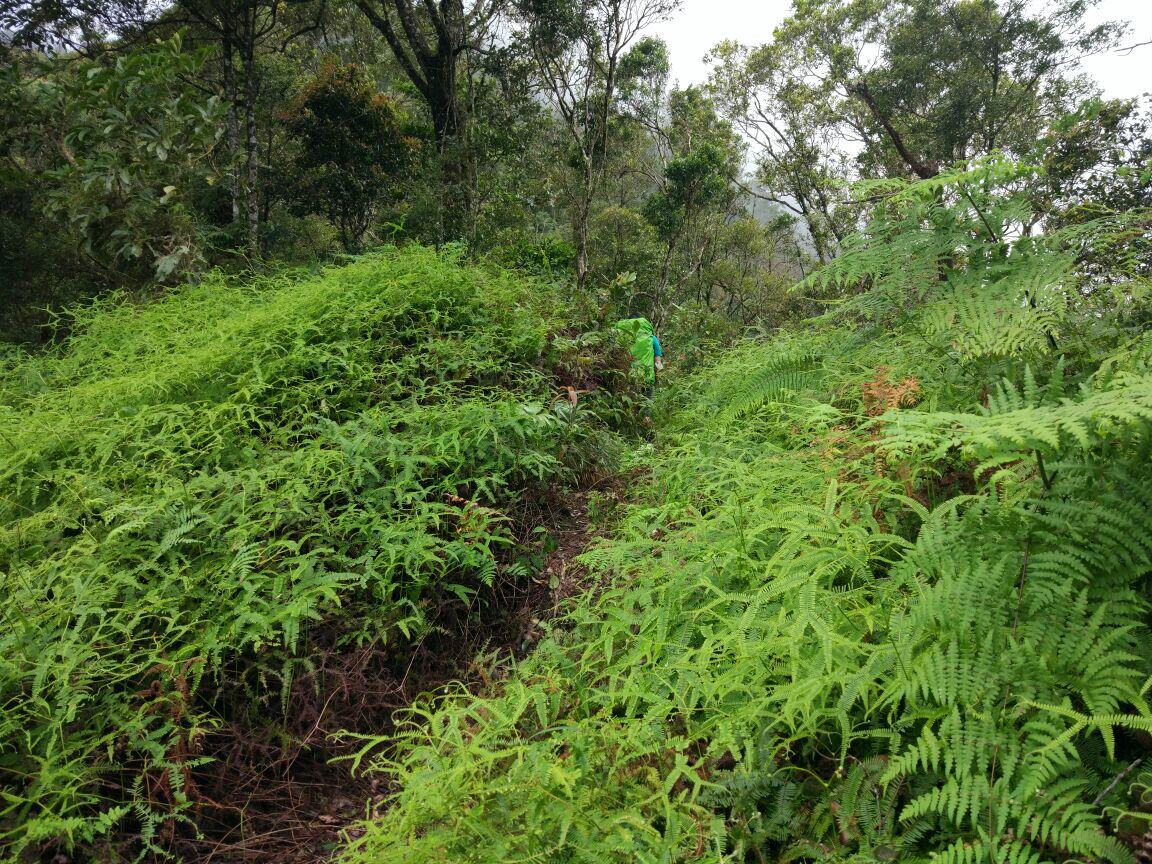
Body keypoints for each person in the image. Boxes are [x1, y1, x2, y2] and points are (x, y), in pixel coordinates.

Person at [613, 317, 663, 400]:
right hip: (646, 378)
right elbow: (657, 360)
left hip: (625, 377)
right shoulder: (651, 338)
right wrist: (660, 372)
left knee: (627, 405)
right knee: (646, 404)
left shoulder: (619, 337)